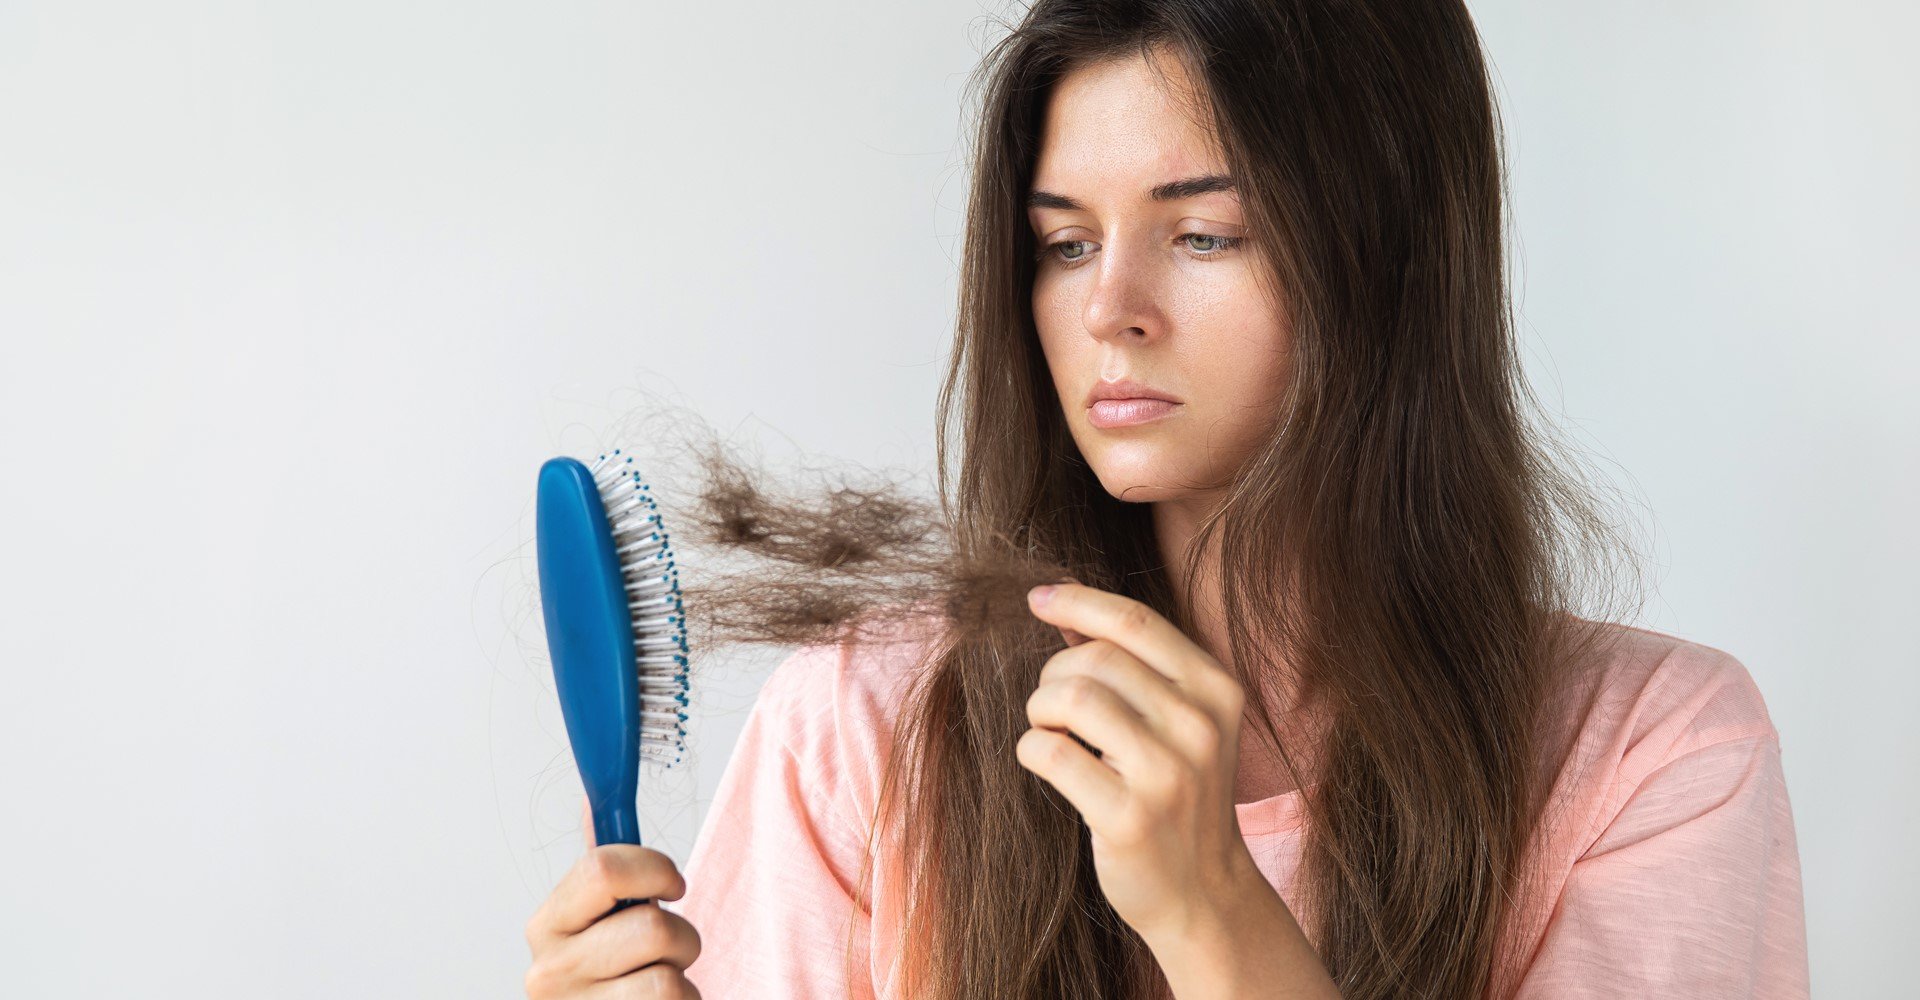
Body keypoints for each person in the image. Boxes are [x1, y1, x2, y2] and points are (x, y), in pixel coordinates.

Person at [523, 1, 1810, 997]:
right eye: (1064, 242)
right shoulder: (865, 725)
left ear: (1389, 257)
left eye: (1204, 233)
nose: (1106, 309)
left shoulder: (1654, 756)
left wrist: (1211, 910)